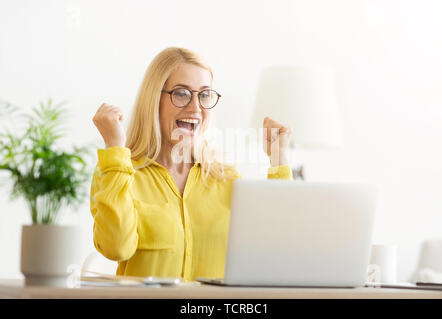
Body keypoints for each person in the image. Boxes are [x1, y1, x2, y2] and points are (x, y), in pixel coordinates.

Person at [90, 47, 293, 281]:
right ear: (154, 99)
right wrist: (115, 147)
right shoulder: (119, 172)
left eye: (204, 95)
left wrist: (279, 160)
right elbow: (116, 248)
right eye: (182, 93)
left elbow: (275, 250)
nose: (196, 108)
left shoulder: (227, 179)